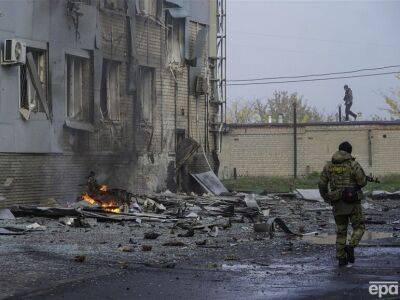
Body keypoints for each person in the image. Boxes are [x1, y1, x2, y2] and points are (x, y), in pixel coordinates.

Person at [318, 141, 367, 266]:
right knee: (359, 227)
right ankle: (351, 246)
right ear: (349, 152)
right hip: (353, 203)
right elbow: (362, 182)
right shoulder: (353, 164)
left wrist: (326, 197)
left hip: (337, 202)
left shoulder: (329, 166)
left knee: (341, 230)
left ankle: (341, 258)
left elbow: (322, 183)